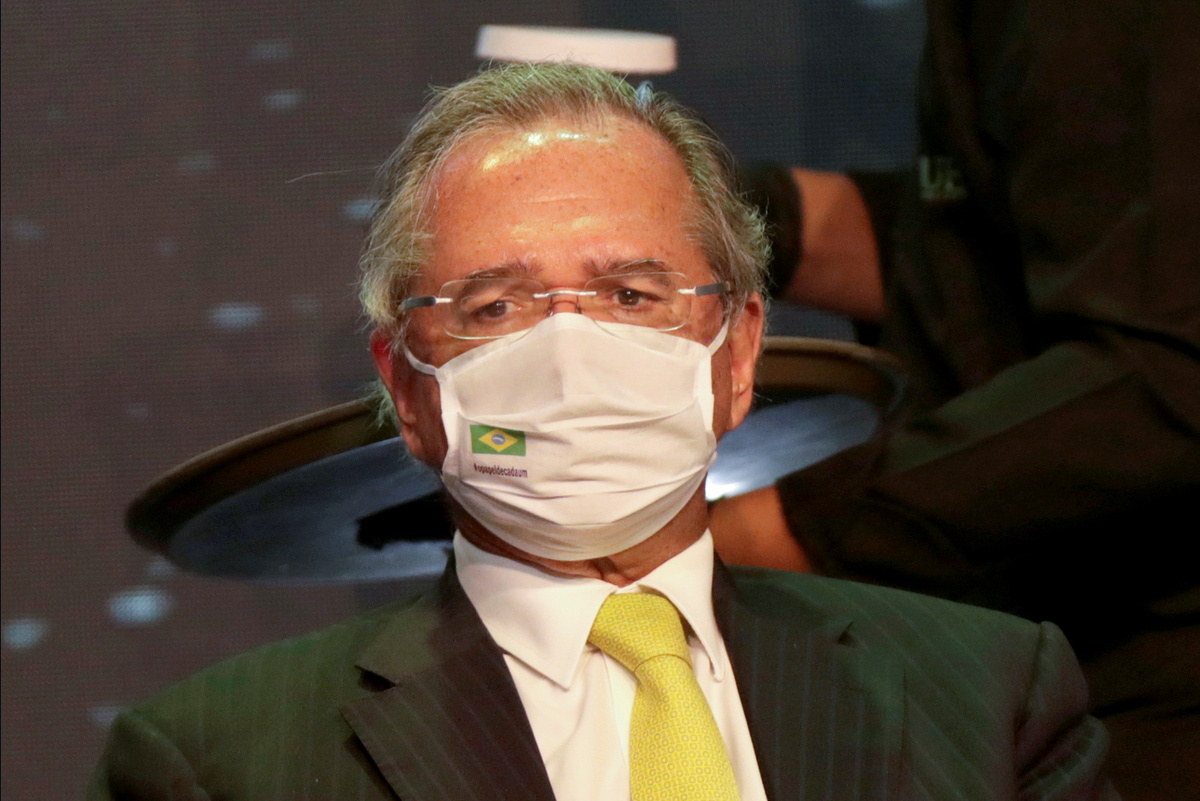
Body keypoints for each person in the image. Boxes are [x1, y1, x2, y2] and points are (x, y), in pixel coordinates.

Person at [89, 63, 1117, 801]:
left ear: (739, 352)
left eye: (631, 293)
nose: (569, 353)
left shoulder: (989, 694)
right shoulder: (217, 763)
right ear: (406, 388)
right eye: (494, 306)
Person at [715, 2, 1200, 799]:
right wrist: (710, 221)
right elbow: (1015, 239)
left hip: (1142, 684)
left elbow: (1162, 374)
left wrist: (778, 530)